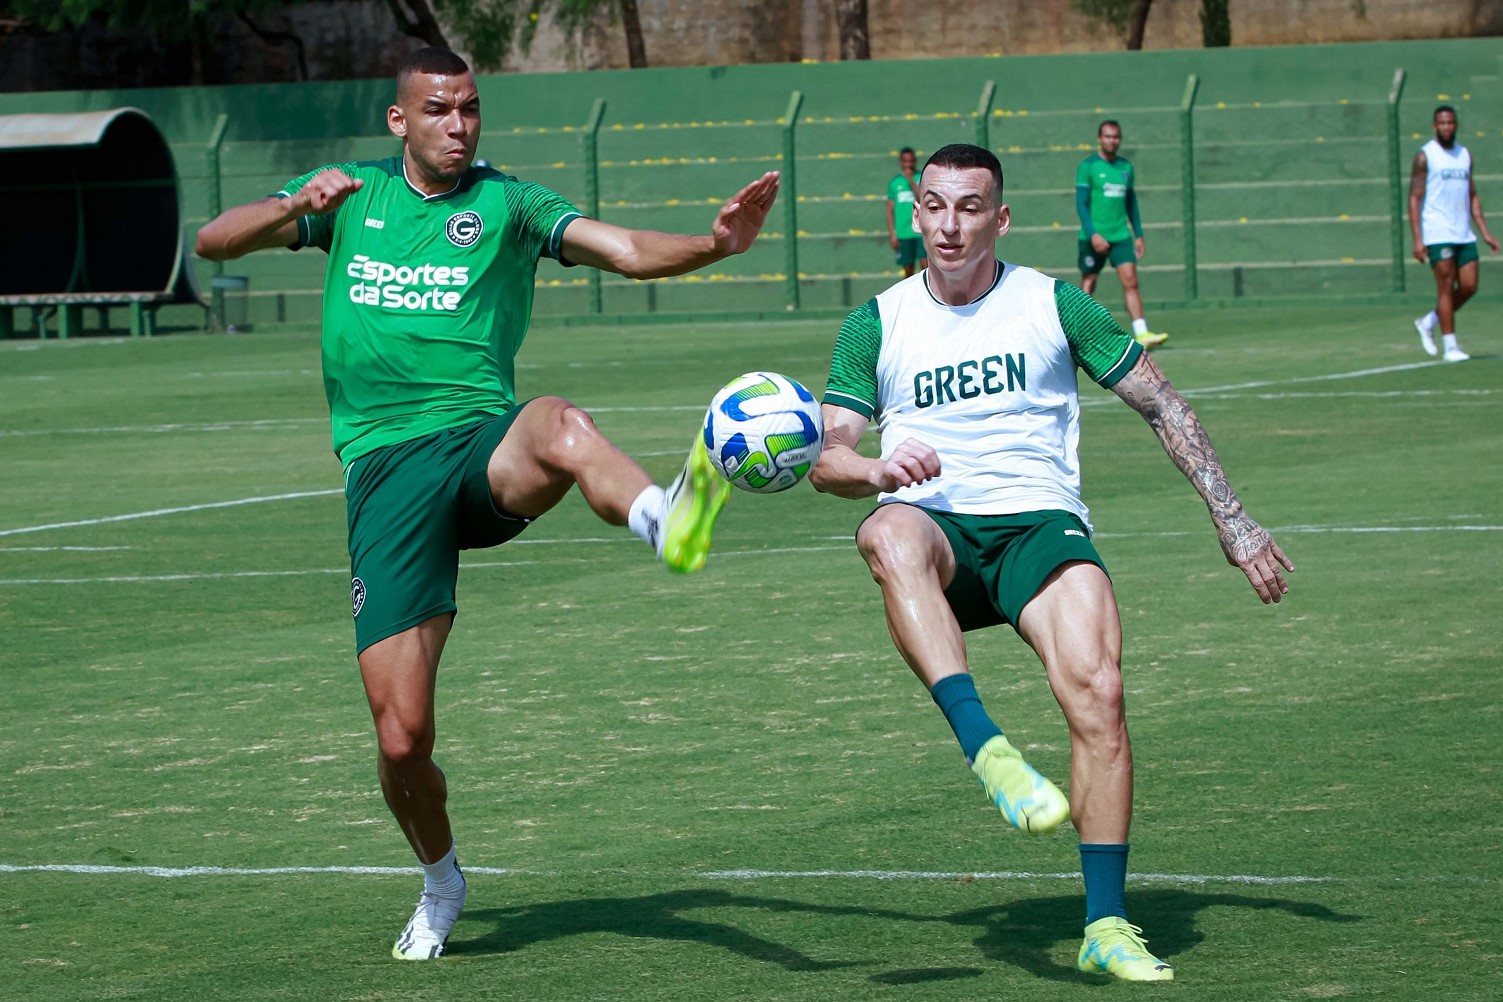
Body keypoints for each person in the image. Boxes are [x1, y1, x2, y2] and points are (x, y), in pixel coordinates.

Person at [194, 46, 779, 960]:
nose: (458, 127)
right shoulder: (348, 198)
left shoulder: (509, 203)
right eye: (438, 111)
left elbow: (622, 251)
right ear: (400, 120)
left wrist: (714, 244)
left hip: (478, 446)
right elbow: (211, 243)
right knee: (401, 739)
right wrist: (290, 207)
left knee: (556, 420)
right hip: (385, 476)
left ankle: (665, 518)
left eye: (469, 109)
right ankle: (441, 878)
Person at [811, 144, 1292, 983]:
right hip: (937, 530)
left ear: (1001, 218)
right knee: (885, 533)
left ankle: (1105, 923)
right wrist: (877, 472)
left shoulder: (1052, 303)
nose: (949, 225)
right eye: (934, 205)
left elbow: (1161, 402)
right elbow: (828, 458)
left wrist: (1234, 518)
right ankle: (986, 749)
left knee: (1099, 693)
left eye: (969, 208)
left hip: (1039, 527)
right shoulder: (877, 321)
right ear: (913, 213)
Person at [1409, 104, 1499, 362]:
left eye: (1450, 123)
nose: (1446, 127)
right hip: (1438, 231)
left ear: (1456, 125)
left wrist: (1485, 232)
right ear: (1434, 126)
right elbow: (1414, 198)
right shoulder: (1425, 156)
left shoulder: (1464, 155)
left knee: (1470, 286)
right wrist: (1418, 238)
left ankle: (1429, 321)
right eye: (1442, 123)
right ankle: (1451, 347)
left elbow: (1472, 194)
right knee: (1446, 287)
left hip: (1463, 232)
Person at [1076, 120, 1166, 351]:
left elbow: (1131, 203)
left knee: (1131, 281)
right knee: (1089, 282)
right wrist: (1093, 234)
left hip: (1120, 235)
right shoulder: (1088, 166)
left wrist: (1139, 234)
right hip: (1093, 237)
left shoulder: (1126, 167)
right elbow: (1082, 204)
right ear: (1099, 138)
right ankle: (1078, 332)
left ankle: (1142, 332)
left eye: (1116, 137)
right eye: (1107, 136)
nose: (1112, 141)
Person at [887, 147, 927, 278]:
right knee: (908, 270)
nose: (908, 164)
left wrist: (911, 181)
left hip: (921, 232)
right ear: (901, 162)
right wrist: (893, 234)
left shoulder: (921, 178)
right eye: (905, 161)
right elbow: (890, 210)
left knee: (925, 266)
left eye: (911, 161)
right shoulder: (895, 183)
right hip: (904, 233)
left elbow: (921, 199)